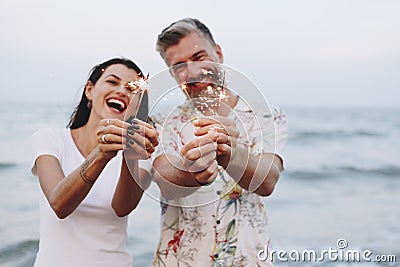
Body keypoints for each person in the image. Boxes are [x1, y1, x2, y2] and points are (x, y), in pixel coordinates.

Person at [150, 18, 288, 266]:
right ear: (172, 74)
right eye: (179, 66)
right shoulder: (162, 123)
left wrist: (229, 153)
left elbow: (267, 181)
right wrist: (194, 169)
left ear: (218, 53)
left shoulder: (267, 116)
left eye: (199, 56)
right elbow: (166, 182)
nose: (191, 72)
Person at [31, 57, 159, 267]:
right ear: (89, 90)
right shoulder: (50, 139)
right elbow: (59, 204)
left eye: (130, 88)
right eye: (112, 82)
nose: (121, 91)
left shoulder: (140, 153)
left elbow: (122, 208)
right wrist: (101, 154)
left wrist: (130, 155)